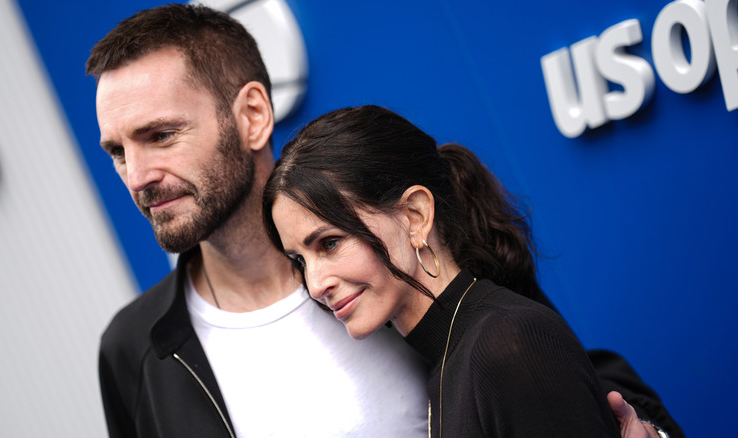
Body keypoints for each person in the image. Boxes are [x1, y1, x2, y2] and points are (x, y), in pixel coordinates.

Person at [86, 4, 681, 437]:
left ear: (252, 116)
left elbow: (558, 373)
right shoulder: (133, 351)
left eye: (160, 135)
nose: (136, 176)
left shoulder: (396, 255)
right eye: (116, 151)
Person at [262, 105, 684, 437]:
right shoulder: (450, 366)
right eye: (299, 260)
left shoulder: (507, 344)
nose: (316, 284)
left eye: (330, 243)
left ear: (415, 214)